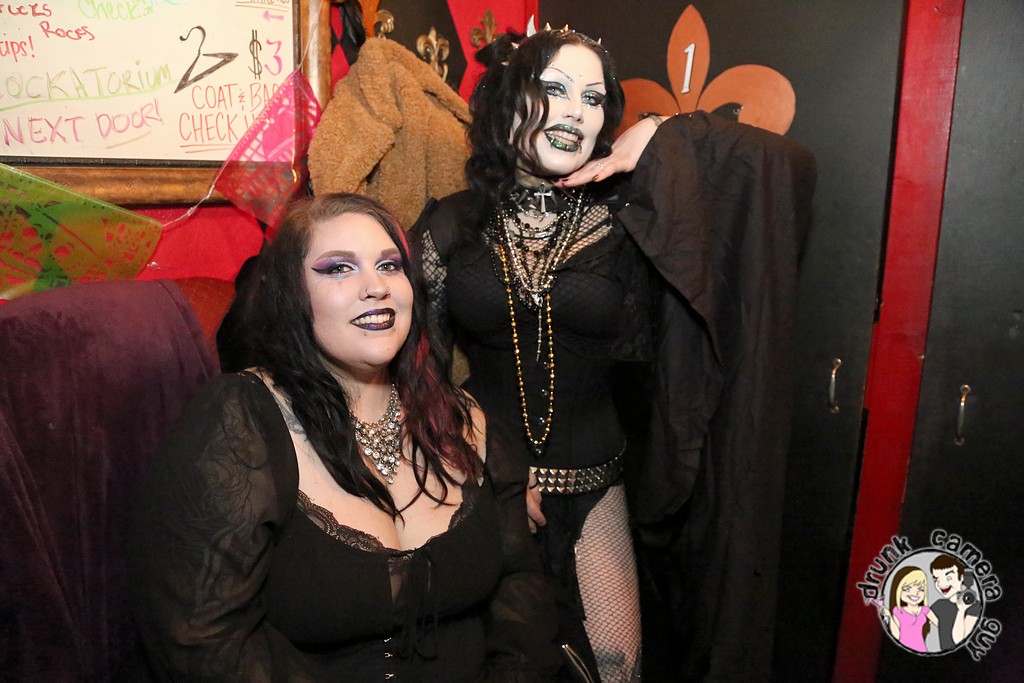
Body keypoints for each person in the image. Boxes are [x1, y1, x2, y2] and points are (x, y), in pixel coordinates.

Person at [410, 24, 816, 683]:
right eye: (555, 89)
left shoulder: (629, 218)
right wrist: (480, 460)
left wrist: (661, 132)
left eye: (593, 98)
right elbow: (414, 369)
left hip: (595, 486)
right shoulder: (450, 225)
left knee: (617, 666)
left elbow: (784, 167)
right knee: (496, 665)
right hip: (484, 485)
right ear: (509, 101)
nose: (576, 111)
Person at [124, 193, 563, 682]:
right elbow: (201, 637)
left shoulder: (463, 418)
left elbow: (522, 587)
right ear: (292, 295)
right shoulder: (240, 423)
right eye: (338, 269)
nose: (376, 287)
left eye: (390, 265)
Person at [878, 566, 938, 652]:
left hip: (921, 650)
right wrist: (889, 617)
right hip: (902, 651)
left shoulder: (925, 610)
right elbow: (896, 636)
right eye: (907, 589)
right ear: (898, 590)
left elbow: (941, 625)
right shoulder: (897, 611)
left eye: (921, 589)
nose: (915, 593)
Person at [929, 554, 982, 650]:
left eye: (948, 578)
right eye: (936, 579)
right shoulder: (939, 605)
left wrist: (961, 610)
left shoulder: (974, 606)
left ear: (961, 578)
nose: (941, 584)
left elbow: (959, 641)